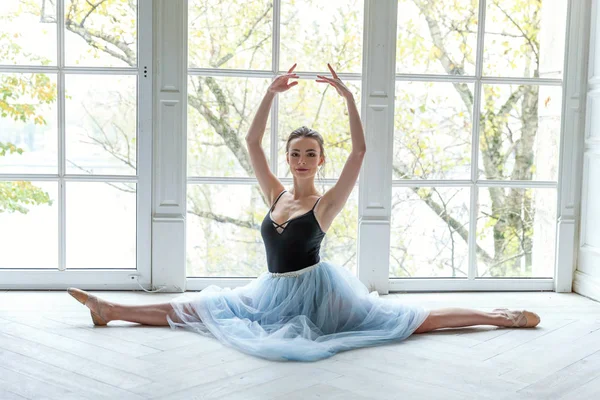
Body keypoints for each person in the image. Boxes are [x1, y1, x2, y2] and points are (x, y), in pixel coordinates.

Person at [67, 63, 540, 362]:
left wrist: (350, 100)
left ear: (319, 160)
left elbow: (360, 152)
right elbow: (251, 143)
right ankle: (112, 309)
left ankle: (500, 315)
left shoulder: (325, 202)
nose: (301, 160)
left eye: (310, 153)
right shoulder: (275, 192)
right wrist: (270, 95)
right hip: (271, 291)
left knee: (407, 319)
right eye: (295, 152)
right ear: (288, 158)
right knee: (203, 306)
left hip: (316, 294)